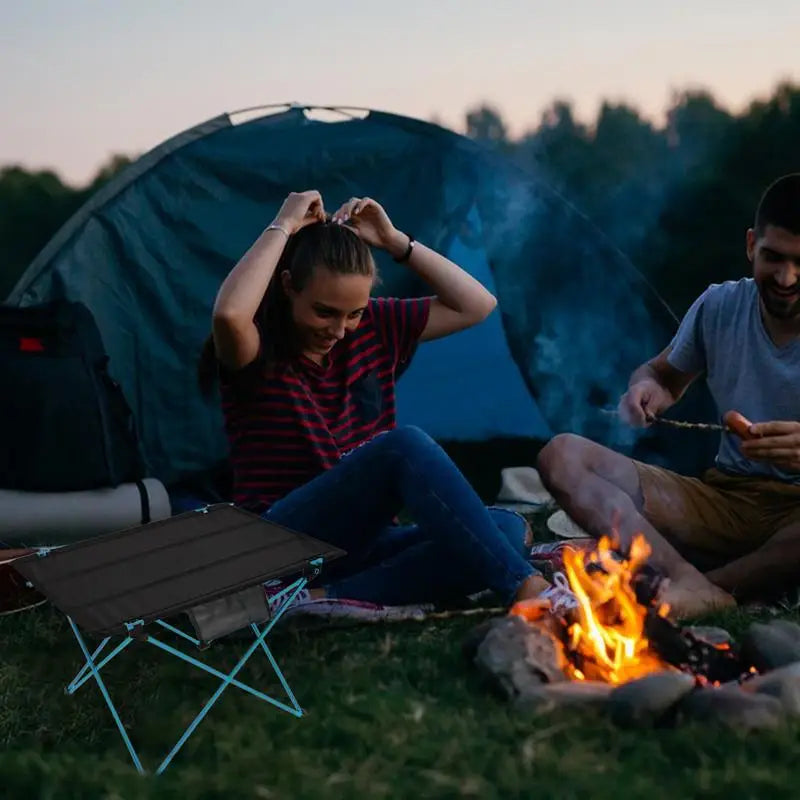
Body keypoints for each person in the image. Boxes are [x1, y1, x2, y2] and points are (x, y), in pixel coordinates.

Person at [199, 190, 571, 619]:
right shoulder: (255, 348)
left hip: (356, 547)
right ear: (287, 287)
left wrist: (397, 242)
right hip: (276, 548)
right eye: (324, 312)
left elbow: (477, 304)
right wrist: (283, 223)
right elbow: (228, 315)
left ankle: (322, 600)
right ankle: (526, 587)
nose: (339, 329)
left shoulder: (375, 326)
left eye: (352, 313)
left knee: (505, 529)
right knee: (403, 448)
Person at [536, 173, 800, 618]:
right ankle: (686, 580)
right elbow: (662, 375)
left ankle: (707, 587)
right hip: (725, 502)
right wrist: (647, 390)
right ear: (752, 244)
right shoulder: (719, 307)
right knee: (562, 456)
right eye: (774, 257)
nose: (787, 277)